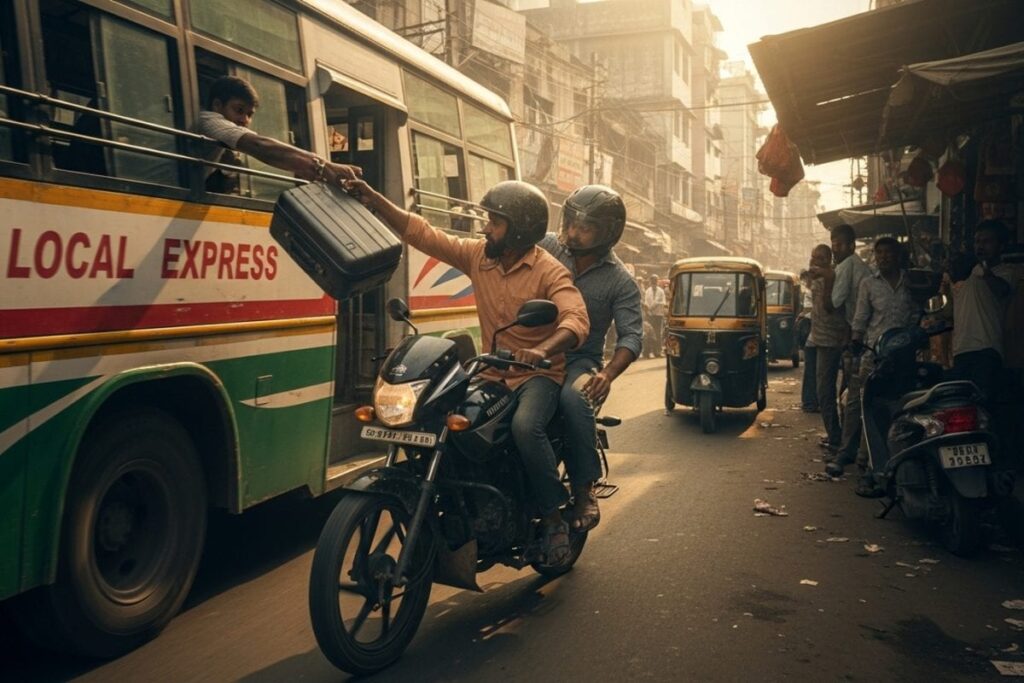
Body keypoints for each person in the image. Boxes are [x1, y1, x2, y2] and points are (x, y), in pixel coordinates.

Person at [345, 178, 589, 566]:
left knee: (527, 427)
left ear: (521, 227)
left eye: (496, 222)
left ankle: (555, 518)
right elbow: (422, 234)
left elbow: (576, 319)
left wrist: (540, 351)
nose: (486, 228)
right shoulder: (480, 256)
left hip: (535, 377)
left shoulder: (550, 271)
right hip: (490, 373)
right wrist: (373, 196)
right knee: (441, 418)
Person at [539, 185, 643, 532]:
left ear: (608, 233)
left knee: (573, 397)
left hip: (580, 362)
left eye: (585, 228)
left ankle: (584, 489)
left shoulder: (620, 281)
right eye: (571, 223)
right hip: (531, 350)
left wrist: (608, 374)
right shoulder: (549, 247)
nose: (573, 233)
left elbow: (631, 336)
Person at [831, 238, 917, 495]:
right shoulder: (868, 284)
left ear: (898, 256)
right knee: (859, 406)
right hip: (873, 356)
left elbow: (916, 314)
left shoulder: (911, 284)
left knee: (898, 408)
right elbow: (860, 319)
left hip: (903, 358)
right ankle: (848, 454)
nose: (883, 257)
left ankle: (885, 461)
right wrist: (855, 344)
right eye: (879, 253)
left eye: (888, 253)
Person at [196, 76, 360, 193]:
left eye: (249, 114)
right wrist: (323, 167)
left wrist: (227, 171)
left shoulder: (222, 140)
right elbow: (260, 146)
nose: (244, 120)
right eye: (239, 110)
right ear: (217, 105)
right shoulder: (209, 120)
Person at [821, 224, 872, 475]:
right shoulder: (858, 267)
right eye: (833, 242)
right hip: (858, 337)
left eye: (838, 243)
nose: (834, 248)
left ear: (851, 245)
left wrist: (828, 280)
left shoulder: (846, 267)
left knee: (853, 398)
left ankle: (847, 451)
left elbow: (832, 304)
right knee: (852, 396)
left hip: (862, 340)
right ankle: (852, 448)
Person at [950, 219, 1015, 403]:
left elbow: (1002, 290)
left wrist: (986, 271)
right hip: (961, 350)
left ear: (1001, 246)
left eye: (987, 242)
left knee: (982, 406)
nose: (980, 246)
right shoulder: (968, 275)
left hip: (986, 350)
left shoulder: (1005, 272)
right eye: (977, 241)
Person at [807, 244, 850, 455]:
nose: (815, 261)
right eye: (813, 257)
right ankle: (837, 435)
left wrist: (828, 276)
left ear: (829, 259)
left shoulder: (833, 276)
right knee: (830, 391)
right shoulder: (817, 276)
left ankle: (837, 438)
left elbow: (828, 306)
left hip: (832, 341)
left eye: (820, 258)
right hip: (820, 339)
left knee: (826, 391)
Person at [797, 270, 819, 412]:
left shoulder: (811, 292)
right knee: (813, 370)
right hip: (813, 337)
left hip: (813, 336)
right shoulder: (811, 292)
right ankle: (810, 402)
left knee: (812, 371)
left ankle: (810, 401)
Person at [644, 274, 667, 357]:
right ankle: (648, 352)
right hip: (650, 315)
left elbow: (662, 302)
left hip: (658, 315)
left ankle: (657, 351)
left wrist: (654, 306)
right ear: (650, 282)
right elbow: (646, 302)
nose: (654, 282)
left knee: (658, 333)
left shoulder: (661, 291)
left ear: (657, 282)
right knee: (649, 333)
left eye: (655, 281)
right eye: (652, 281)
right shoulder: (647, 291)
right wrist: (648, 309)